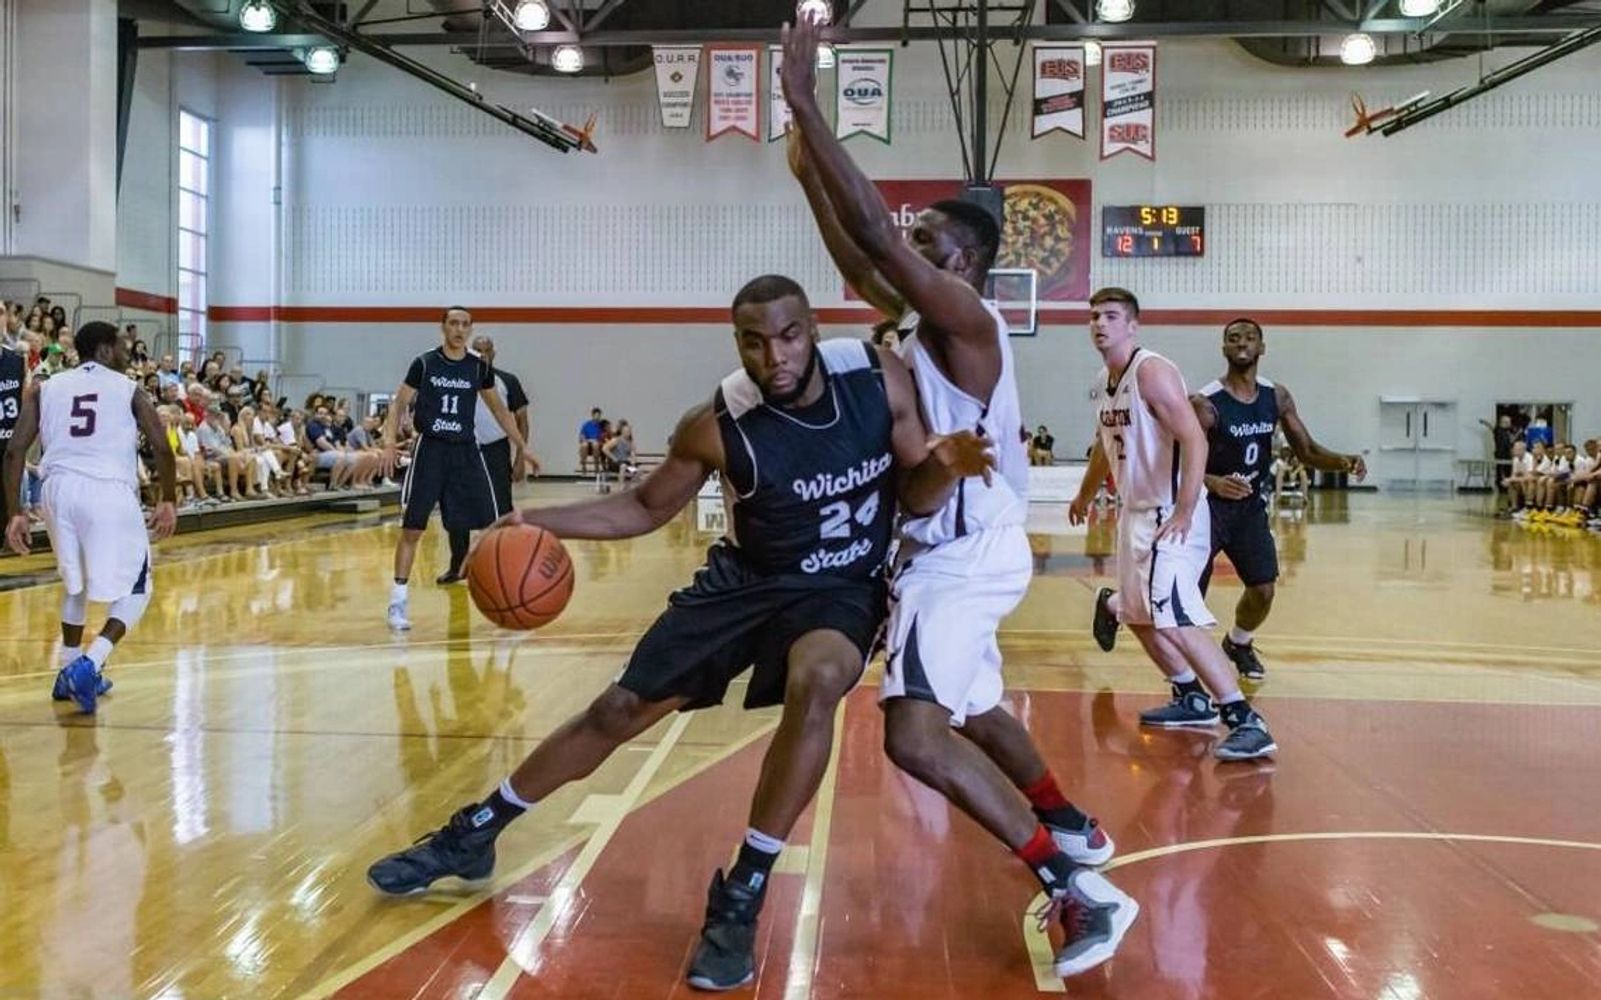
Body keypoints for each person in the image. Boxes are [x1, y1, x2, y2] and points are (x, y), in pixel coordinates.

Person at [366, 274, 993, 990]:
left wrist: (944, 468)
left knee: (817, 680)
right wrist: (541, 519)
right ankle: (477, 830)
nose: (774, 356)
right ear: (738, 345)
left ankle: (744, 889)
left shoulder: (877, 379)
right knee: (616, 711)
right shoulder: (718, 424)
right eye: (754, 344)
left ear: (811, 331)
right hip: (746, 580)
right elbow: (641, 508)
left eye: (788, 337)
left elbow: (912, 494)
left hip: (838, 589)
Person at [779, 15, 1135, 981]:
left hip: (964, 553)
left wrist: (810, 103)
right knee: (976, 709)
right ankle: (1068, 819)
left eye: (924, 239)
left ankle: (1072, 886)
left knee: (913, 735)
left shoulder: (969, 319)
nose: (905, 243)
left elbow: (875, 246)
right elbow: (859, 251)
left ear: (962, 263)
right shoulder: (917, 320)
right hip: (954, 549)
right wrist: (805, 166)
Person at [1091, 318, 1366, 682]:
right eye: (1233, 338)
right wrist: (1212, 481)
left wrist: (1343, 462)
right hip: (1203, 509)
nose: (1241, 343)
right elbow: (1168, 456)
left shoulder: (1276, 396)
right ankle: (1167, 663)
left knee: (1264, 589)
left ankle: (1238, 643)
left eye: (1250, 337)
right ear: (1224, 348)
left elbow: (1308, 449)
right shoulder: (1205, 404)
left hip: (1249, 509)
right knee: (1180, 601)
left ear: (1262, 347)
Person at [1067, 289, 1276, 762]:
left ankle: (1245, 718)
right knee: (1136, 614)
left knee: (1177, 618)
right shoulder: (1105, 380)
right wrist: (1085, 492)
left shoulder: (1152, 372)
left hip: (1169, 511)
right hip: (1135, 511)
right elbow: (1105, 442)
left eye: (1111, 316)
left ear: (1132, 325)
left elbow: (1194, 439)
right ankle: (1190, 695)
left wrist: (1185, 509)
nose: (1100, 323)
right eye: (1094, 315)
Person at [2, 323, 177, 713]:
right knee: (138, 587)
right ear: (102, 350)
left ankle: (66, 670)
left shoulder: (45, 387)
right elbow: (162, 448)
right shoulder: (128, 388)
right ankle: (90, 662)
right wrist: (168, 499)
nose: (126, 353)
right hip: (106, 488)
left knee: (75, 582)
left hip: (57, 489)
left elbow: (15, 451)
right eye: (121, 347)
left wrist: (14, 514)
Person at [378, 307, 535, 630]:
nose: (459, 329)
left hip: (466, 451)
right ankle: (398, 602)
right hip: (431, 449)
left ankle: (502, 599)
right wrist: (389, 442)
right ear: (443, 328)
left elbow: (501, 411)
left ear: (470, 328)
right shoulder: (425, 363)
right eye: (454, 323)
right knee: (413, 529)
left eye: (465, 324)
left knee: (493, 525)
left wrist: (522, 447)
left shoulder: (478, 367)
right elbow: (399, 403)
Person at [436, 334, 532, 585]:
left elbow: (521, 420)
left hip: (494, 450)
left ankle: (503, 563)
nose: (482, 354)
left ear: (494, 352)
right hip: (458, 449)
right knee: (456, 508)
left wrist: (520, 457)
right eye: (476, 350)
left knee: (500, 508)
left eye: (486, 350)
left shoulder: (507, 381)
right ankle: (458, 565)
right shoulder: (456, 378)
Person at [578, 406, 605, 474]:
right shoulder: (587, 424)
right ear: (592, 415)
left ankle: (596, 465)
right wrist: (585, 439)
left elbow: (603, 436)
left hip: (597, 444)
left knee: (595, 444)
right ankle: (583, 465)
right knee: (584, 445)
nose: (597, 417)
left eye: (599, 416)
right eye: (596, 416)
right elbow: (582, 435)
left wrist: (598, 439)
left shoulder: (601, 425)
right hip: (588, 443)